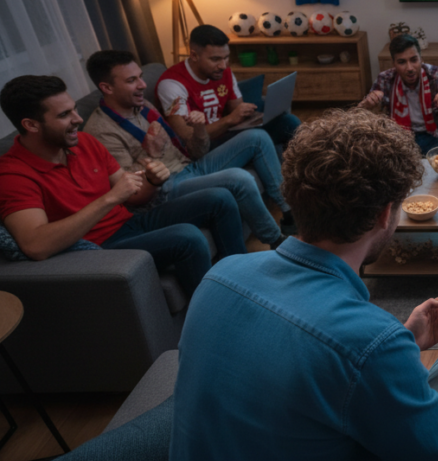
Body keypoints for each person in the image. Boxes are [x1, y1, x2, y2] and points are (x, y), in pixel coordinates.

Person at [155, 108, 438, 461]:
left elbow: (303, 367)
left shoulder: (219, 275)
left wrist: (404, 339)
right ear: (384, 214)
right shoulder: (370, 341)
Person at [0, 75, 246, 295]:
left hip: (129, 222)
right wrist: (108, 199)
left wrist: (151, 181)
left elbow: (132, 197)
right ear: (31, 125)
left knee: (219, 198)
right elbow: (36, 245)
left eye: (74, 109)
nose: (77, 119)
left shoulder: (84, 142)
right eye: (64, 115)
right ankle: (214, 312)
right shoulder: (12, 175)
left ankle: (245, 281)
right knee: (187, 237)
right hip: (101, 246)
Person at [83, 50, 296, 247]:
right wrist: (150, 155)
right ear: (107, 88)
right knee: (239, 178)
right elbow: (129, 191)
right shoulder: (101, 132)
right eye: (132, 80)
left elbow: (195, 152)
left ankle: (289, 213)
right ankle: (276, 240)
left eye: (140, 77)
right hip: (165, 188)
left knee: (256, 137)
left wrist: (200, 129)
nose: (142, 85)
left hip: (189, 166)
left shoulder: (141, 107)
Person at [155, 24, 300, 150]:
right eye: (215, 59)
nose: (223, 66)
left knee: (289, 122)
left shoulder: (223, 72)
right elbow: (185, 136)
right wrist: (229, 120)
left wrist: (257, 117)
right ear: (194, 55)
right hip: (204, 146)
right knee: (257, 137)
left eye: (226, 57)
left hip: (227, 133)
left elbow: (237, 110)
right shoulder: (172, 84)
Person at [359, 33, 438, 154]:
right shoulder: (385, 79)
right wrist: (367, 104)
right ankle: (432, 160)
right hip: (399, 139)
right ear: (394, 64)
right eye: (402, 62)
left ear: (421, 59)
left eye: (414, 60)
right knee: (375, 143)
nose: (410, 68)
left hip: (434, 136)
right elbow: (361, 118)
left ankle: (425, 160)